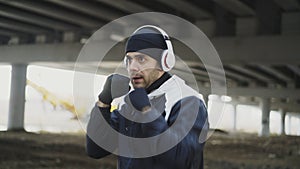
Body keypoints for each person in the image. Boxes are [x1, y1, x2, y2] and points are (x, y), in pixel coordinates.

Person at [86, 25, 209, 169]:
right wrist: (103, 103)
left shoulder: (188, 101)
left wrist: (147, 112)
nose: (132, 67)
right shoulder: (129, 103)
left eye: (141, 59)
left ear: (164, 62)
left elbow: (181, 160)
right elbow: (96, 150)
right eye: (129, 60)